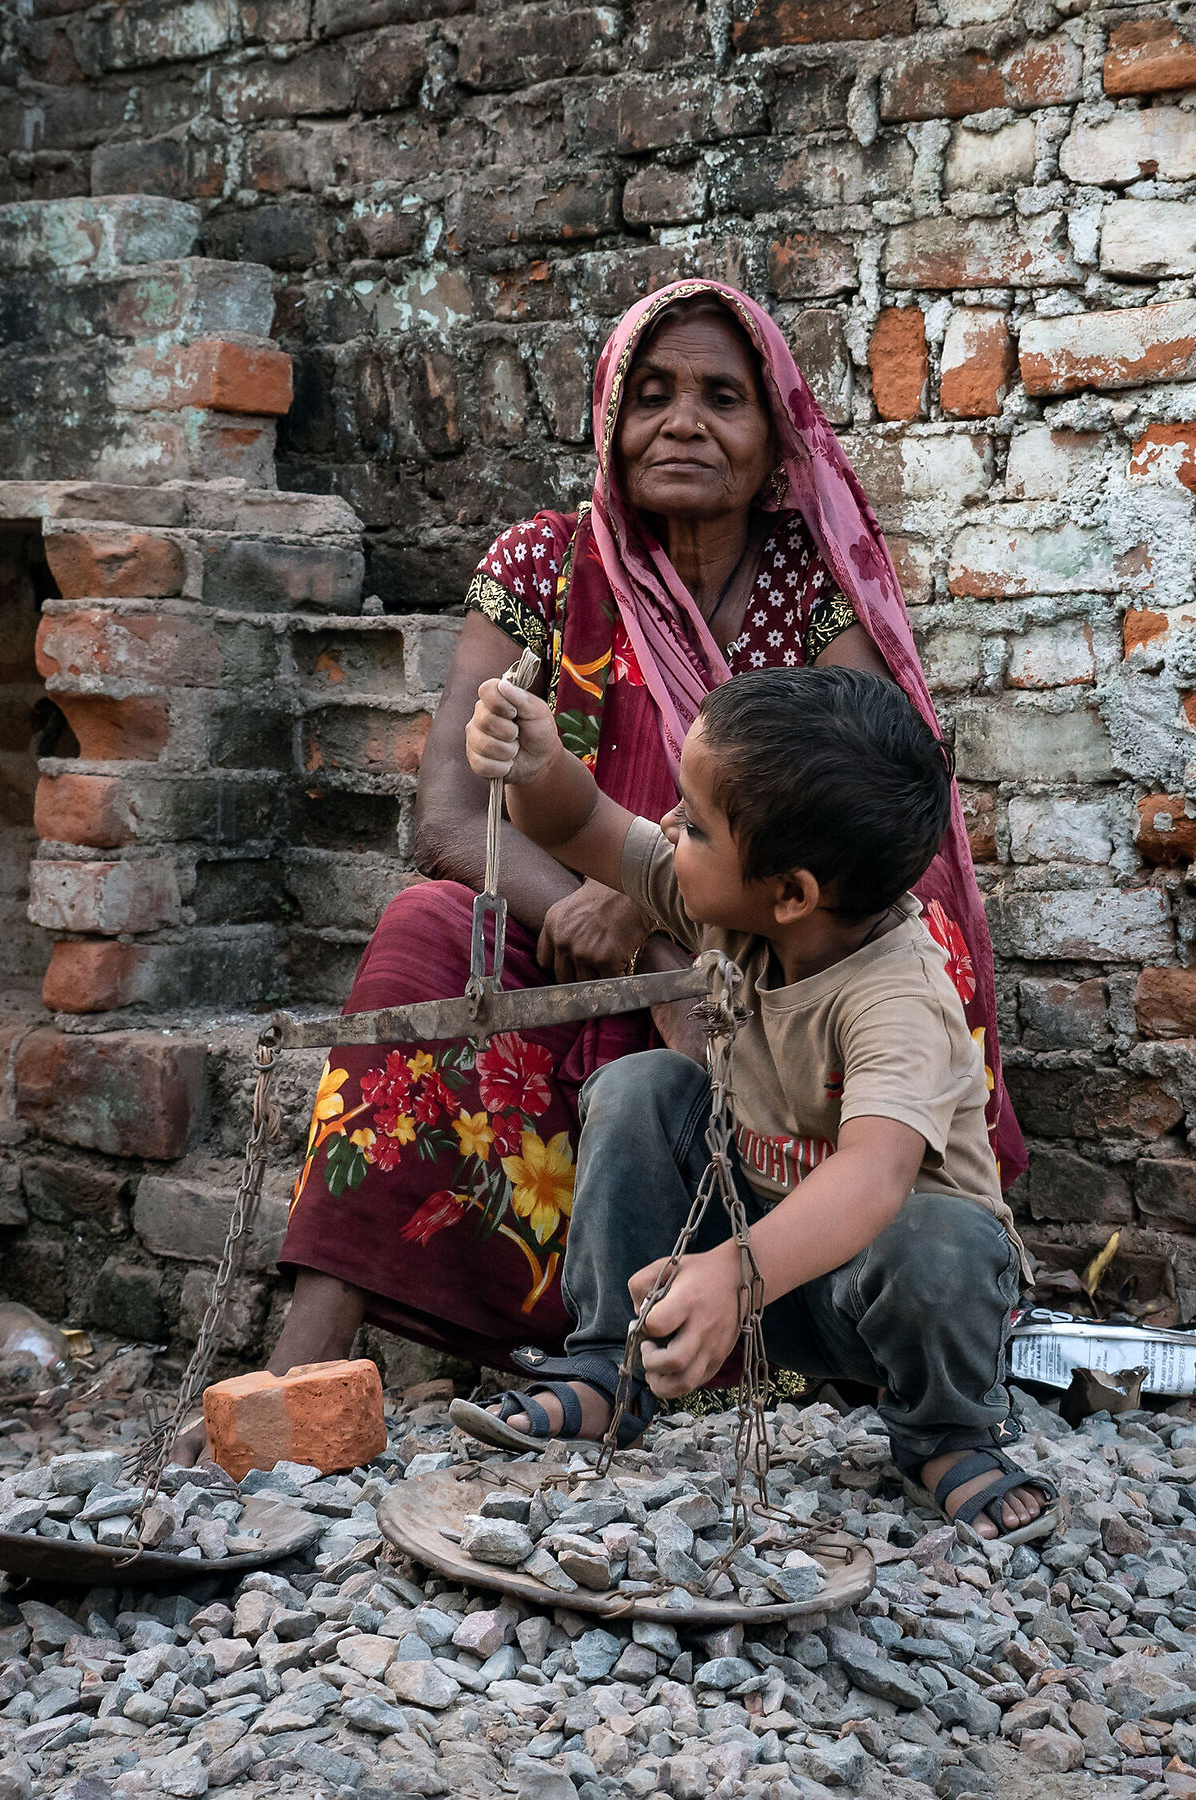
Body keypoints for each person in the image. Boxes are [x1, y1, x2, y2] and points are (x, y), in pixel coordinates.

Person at [172, 277, 1024, 1460]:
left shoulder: (810, 577)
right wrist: (621, 884)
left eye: (723, 397)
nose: (684, 423)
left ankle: (768, 1332)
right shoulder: (542, 562)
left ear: (775, 430)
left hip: (753, 930)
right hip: (606, 906)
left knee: (865, 970)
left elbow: (873, 827)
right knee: (425, 931)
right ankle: (327, 1334)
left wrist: (662, 916)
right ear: (609, 416)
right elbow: (452, 821)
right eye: (654, 394)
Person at [448, 664, 1061, 1543]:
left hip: (872, 1290)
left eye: (693, 826)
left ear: (793, 892)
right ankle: (604, 1370)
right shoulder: (734, 904)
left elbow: (877, 1174)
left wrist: (734, 1273)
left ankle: (947, 1436)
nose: (668, 830)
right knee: (643, 1089)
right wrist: (536, 761)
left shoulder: (898, 997)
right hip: (752, 1255)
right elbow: (581, 824)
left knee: (944, 1242)